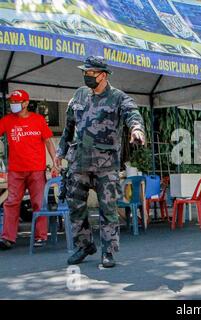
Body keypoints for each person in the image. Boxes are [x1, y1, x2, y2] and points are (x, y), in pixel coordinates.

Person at [55, 56, 145, 268]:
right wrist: (61, 151)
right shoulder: (79, 95)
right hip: (79, 163)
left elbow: (133, 113)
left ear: (103, 75)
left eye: (90, 73)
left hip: (106, 165)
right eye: (84, 73)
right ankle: (84, 245)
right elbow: (69, 127)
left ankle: (108, 251)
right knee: (75, 206)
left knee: (108, 209)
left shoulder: (118, 97)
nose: (86, 76)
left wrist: (137, 129)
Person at [0, 89, 58, 250]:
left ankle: (41, 236)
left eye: (17, 102)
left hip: (36, 170)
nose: (13, 105)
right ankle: (7, 238)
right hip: (15, 170)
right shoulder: (7, 120)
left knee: (39, 203)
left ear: (26, 103)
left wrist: (55, 162)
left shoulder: (38, 120)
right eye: (11, 102)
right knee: (11, 203)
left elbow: (48, 142)